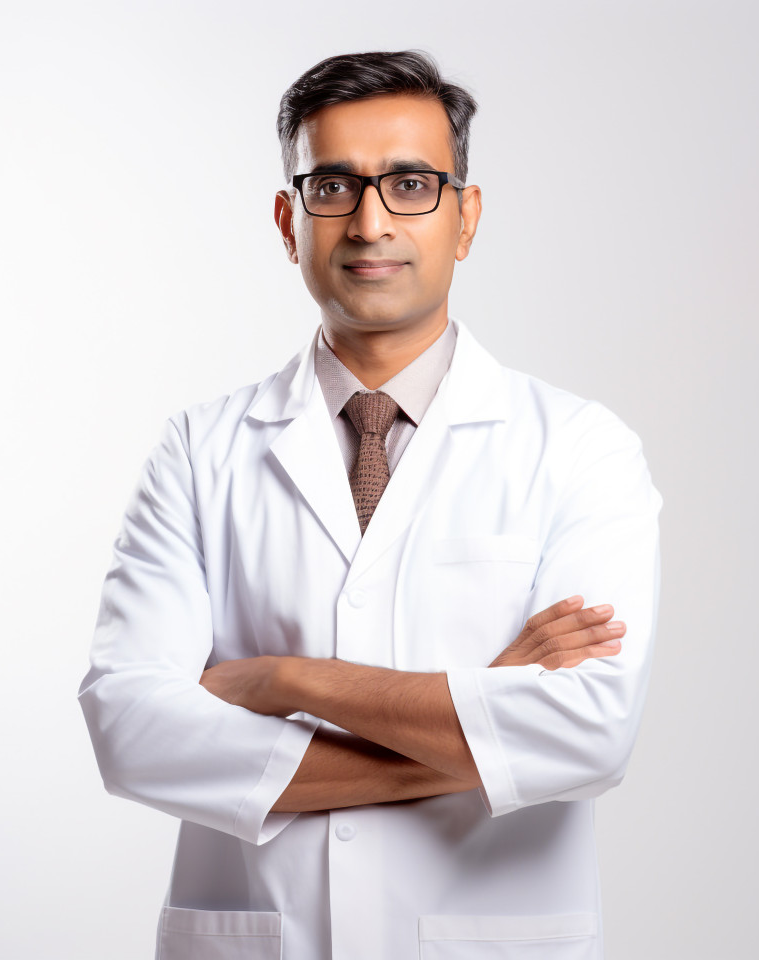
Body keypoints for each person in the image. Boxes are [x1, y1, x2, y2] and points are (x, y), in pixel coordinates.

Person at [78, 49, 662, 960]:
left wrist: (282, 681)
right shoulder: (199, 451)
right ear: (288, 220)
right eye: (334, 187)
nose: (370, 221)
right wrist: (475, 730)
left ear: (466, 217)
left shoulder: (580, 448)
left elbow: (587, 736)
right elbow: (133, 731)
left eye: (411, 184)